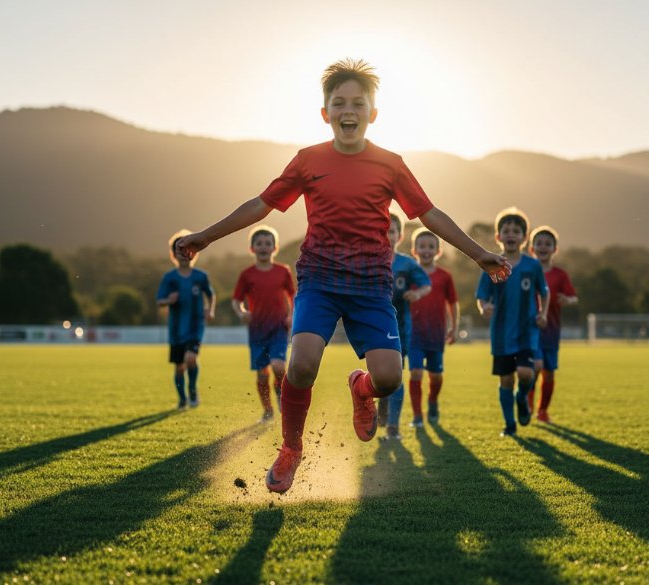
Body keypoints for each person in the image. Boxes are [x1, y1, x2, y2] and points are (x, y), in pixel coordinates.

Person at [174, 58, 510, 494]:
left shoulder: (390, 164)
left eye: (358, 103)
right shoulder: (308, 160)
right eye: (338, 102)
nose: (347, 110)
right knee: (302, 365)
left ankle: (361, 387)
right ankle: (291, 448)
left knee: (388, 379)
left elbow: (428, 214)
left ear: (373, 113)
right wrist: (205, 236)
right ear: (325, 113)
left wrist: (480, 253)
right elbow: (261, 205)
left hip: (371, 288)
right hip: (319, 280)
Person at [476, 208, 548, 436]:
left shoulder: (532, 266)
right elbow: (481, 296)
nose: (511, 234)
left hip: (527, 331)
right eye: (506, 230)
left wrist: (543, 313)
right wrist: (484, 307)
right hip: (501, 334)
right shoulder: (492, 263)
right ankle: (510, 424)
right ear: (498, 236)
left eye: (516, 231)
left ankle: (522, 398)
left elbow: (544, 291)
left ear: (524, 237)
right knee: (506, 380)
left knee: (526, 374)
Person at [232, 225, 296, 423]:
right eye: (259, 243)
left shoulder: (283, 272)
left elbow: (293, 295)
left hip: (278, 327)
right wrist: (241, 312)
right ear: (252, 248)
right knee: (262, 374)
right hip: (257, 330)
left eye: (268, 243)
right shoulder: (247, 274)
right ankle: (267, 411)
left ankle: (280, 394)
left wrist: (293, 315)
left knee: (278, 366)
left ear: (274, 247)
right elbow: (236, 299)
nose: (263, 247)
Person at [378, 214, 431, 440]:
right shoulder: (367, 262)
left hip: (399, 329)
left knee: (396, 375)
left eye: (391, 231)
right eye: (382, 230)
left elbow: (426, 284)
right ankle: (382, 402)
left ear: (399, 235)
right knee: (381, 376)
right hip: (373, 328)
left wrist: (416, 293)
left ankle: (393, 426)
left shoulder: (407, 264)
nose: (387, 236)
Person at [156, 230, 216, 409]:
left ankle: (192, 391)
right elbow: (160, 301)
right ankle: (182, 399)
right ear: (173, 254)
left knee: (191, 359)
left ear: (193, 252)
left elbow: (211, 295)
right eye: (178, 250)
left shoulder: (201, 276)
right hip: (176, 329)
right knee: (179, 367)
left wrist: (210, 311)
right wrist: (168, 300)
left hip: (195, 326)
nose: (182, 254)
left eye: (186, 249)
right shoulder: (169, 278)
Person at [407, 227, 459, 427]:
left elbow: (453, 304)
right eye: (422, 246)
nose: (426, 250)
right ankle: (417, 416)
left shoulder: (444, 277)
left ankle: (433, 400)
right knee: (416, 372)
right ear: (415, 250)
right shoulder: (409, 274)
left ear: (438, 250)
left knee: (435, 376)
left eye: (431, 247)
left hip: (436, 335)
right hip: (414, 335)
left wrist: (454, 328)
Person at [529, 225, 578, 424]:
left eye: (547, 244)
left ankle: (542, 410)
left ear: (554, 249)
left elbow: (574, 297)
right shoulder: (527, 271)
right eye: (539, 243)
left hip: (552, 331)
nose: (543, 247)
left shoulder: (560, 275)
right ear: (531, 248)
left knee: (548, 373)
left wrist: (567, 300)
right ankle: (528, 401)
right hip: (531, 329)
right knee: (535, 367)